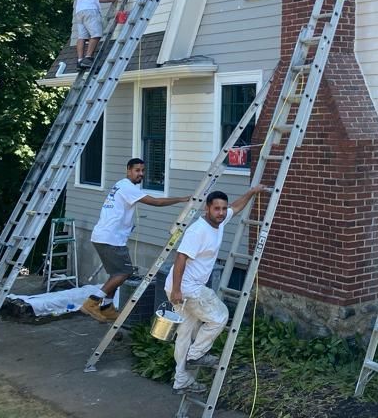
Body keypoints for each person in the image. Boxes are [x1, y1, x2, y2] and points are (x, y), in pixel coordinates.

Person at [166, 185, 266, 395]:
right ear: (207, 209)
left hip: (183, 288)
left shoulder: (219, 221)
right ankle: (196, 354)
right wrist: (176, 290)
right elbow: (180, 258)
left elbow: (236, 208)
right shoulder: (198, 230)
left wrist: (251, 192)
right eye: (216, 209)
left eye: (223, 208)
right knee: (219, 317)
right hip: (186, 288)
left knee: (184, 334)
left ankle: (181, 380)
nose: (221, 213)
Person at [81, 158, 191, 323]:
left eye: (143, 170)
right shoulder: (127, 187)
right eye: (137, 170)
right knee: (124, 273)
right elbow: (156, 202)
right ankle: (92, 302)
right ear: (128, 170)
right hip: (111, 239)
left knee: (116, 274)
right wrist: (182, 199)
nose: (141, 174)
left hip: (104, 237)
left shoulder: (121, 185)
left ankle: (107, 307)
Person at [72, 0, 116, 70]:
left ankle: (80, 61)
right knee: (96, 34)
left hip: (80, 11)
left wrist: (112, 0)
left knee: (82, 37)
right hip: (90, 10)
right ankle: (88, 58)